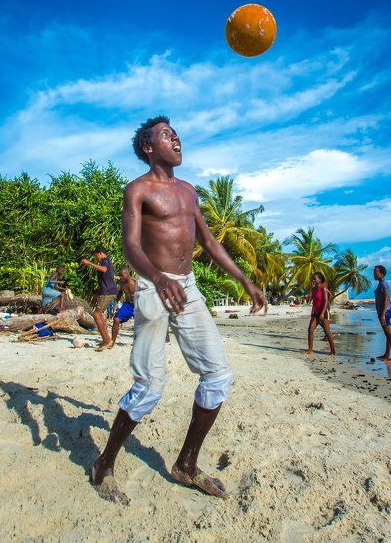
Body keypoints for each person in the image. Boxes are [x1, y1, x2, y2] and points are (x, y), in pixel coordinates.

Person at [90, 115, 266, 504]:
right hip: (154, 286)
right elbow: (130, 247)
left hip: (187, 288)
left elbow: (210, 241)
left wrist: (244, 279)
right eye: (166, 135)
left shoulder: (188, 191)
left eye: (176, 133)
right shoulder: (137, 190)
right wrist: (157, 276)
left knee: (218, 377)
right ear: (149, 148)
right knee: (150, 387)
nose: (176, 139)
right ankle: (104, 464)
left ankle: (186, 463)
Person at [81, 248, 119, 350]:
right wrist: (97, 293)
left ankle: (107, 340)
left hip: (108, 292)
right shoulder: (106, 261)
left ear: (101, 254)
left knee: (96, 315)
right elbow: (108, 278)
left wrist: (89, 263)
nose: (95, 258)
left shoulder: (105, 261)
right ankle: (107, 339)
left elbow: (104, 269)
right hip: (109, 292)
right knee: (99, 315)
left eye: (95, 256)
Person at [304, 273, 336, 355]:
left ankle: (333, 351)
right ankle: (310, 350)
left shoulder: (323, 288)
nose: (313, 280)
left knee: (327, 331)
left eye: (315, 279)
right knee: (310, 329)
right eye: (313, 279)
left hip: (324, 312)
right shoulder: (314, 288)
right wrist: (312, 311)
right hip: (315, 311)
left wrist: (322, 313)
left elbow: (326, 301)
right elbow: (314, 301)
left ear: (320, 279)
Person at [374, 265, 391, 361]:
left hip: (386, 312)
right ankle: (387, 354)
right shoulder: (380, 283)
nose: (374, 274)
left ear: (381, 273)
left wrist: (383, 314)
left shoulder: (384, 284)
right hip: (383, 312)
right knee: (387, 334)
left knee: (389, 333)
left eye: (376, 272)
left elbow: (386, 299)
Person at [111, 267, 137, 344]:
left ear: (127, 274)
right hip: (128, 305)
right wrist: (115, 304)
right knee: (116, 320)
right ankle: (112, 342)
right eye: (120, 275)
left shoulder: (136, 282)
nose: (121, 277)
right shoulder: (122, 283)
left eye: (122, 275)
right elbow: (119, 294)